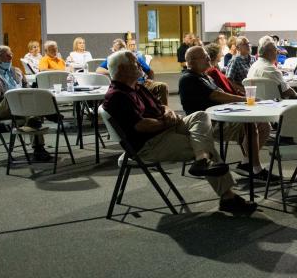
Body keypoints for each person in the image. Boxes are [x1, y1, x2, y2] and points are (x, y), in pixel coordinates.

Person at [103, 50, 256, 216]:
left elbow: (160, 106)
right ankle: (227, 196)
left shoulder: (136, 87)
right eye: (135, 63)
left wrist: (168, 111)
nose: (140, 65)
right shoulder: (117, 96)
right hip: (149, 144)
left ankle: (202, 160)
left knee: (200, 115)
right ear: (121, 69)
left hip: (165, 128)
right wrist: (164, 122)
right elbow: (141, 126)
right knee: (202, 143)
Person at [179, 46, 271, 179]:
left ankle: (246, 163)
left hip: (222, 117)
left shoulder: (205, 76)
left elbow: (221, 94)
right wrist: (245, 100)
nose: (208, 58)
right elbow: (217, 96)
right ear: (192, 61)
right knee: (250, 124)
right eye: (204, 57)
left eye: (207, 55)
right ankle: (256, 169)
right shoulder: (189, 78)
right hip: (208, 124)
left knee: (264, 125)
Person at [0, 45, 55, 161]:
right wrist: (16, 97)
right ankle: (45, 113)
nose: (11, 56)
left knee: (31, 110)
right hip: (0, 108)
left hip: (22, 108)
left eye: (11, 53)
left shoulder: (17, 71)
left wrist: (24, 97)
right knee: (13, 97)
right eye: (7, 54)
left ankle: (39, 149)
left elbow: (27, 88)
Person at [125, 39, 169, 104]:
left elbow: (149, 71)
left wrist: (150, 80)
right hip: (130, 85)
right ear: (127, 47)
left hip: (143, 82)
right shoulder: (122, 58)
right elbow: (103, 68)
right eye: (130, 45)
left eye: (134, 44)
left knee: (163, 86)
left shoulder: (138, 57)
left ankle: (164, 110)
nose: (132, 46)